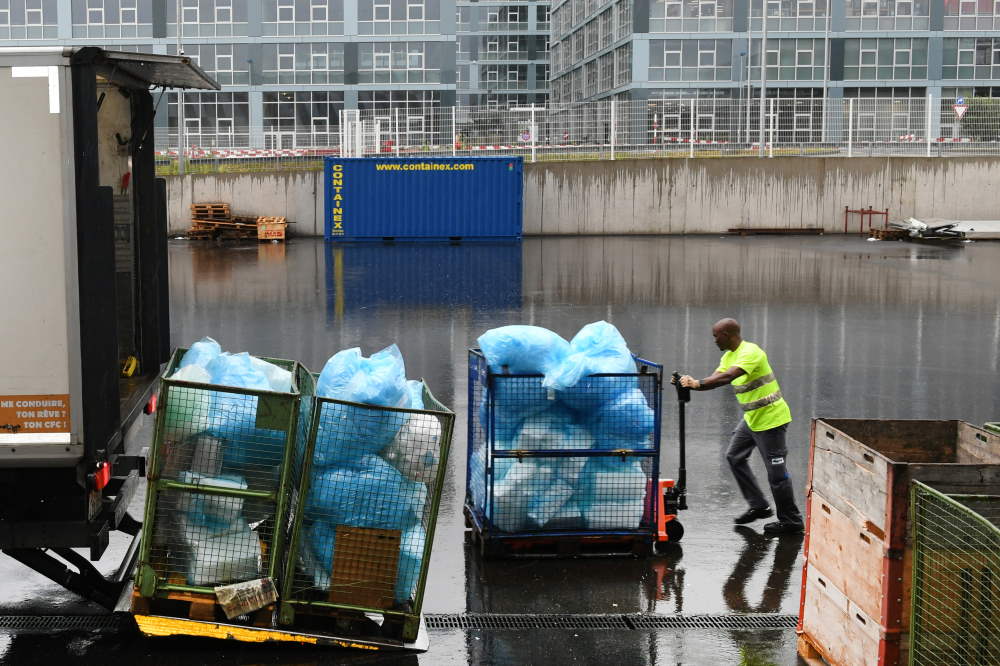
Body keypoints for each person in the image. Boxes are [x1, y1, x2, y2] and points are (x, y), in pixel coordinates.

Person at [678, 318, 804, 536]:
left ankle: (791, 521)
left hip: (772, 419)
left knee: (777, 474)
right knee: (734, 456)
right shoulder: (728, 355)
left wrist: (698, 384)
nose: (714, 340)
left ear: (727, 335)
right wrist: (692, 382)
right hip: (752, 418)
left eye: (716, 336)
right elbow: (715, 378)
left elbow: (728, 377)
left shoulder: (751, 352)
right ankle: (759, 506)